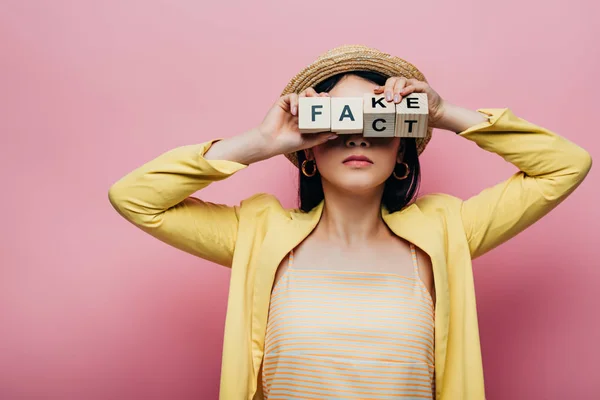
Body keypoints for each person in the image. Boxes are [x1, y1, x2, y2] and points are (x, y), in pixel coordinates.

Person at [108, 44, 592, 400]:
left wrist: (443, 113)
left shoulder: (447, 231)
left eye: (376, 119)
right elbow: (134, 198)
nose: (357, 137)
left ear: (401, 145)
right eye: (336, 122)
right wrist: (260, 142)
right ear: (308, 153)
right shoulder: (258, 233)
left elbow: (565, 164)